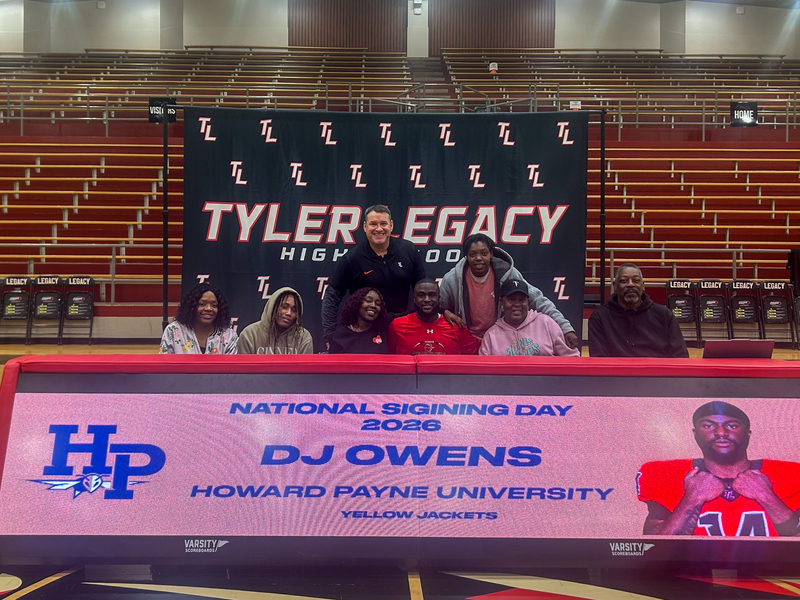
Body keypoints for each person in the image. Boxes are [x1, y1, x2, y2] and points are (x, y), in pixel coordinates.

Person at [637, 401, 800, 537]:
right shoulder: (663, 474)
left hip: (771, 574)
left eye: (732, 426)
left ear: (748, 434)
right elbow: (653, 546)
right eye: (708, 426)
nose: (721, 433)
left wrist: (765, 495)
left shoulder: (791, 474)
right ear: (695, 433)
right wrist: (693, 498)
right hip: (692, 574)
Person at [439, 233, 578, 347]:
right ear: (466, 256)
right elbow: (436, 307)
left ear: (491, 254)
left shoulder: (507, 274)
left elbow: (538, 300)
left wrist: (565, 328)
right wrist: (444, 312)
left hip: (500, 338)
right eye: (473, 254)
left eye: (484, 253)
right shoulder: (452, 279)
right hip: (467, 339)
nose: (479, 258)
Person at [322, 204, 425, 345]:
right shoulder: (352, 259)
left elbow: (424, 292)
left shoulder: (409, 251)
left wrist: (440, 313)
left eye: (383, 224)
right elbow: (331, 296)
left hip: (400, 328)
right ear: (365, 227)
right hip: (365, 332)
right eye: (373, 224)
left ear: (391, 225)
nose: (379, 229)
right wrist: (329, 336)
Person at [588, 263, 689, 358]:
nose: (630, 285)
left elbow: (680, 356)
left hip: (657, 374)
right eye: (624, 281)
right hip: (618, 375)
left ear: (643, 285)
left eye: (636, 281)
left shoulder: (664, 315)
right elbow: (599, 359)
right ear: (615, 286)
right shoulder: (599, 318)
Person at [479, 279, 580, 357]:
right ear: (502, 302)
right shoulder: (491, 335)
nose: (517, 304)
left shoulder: (547, 323)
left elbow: (571, 358)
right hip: (507, 384)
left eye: (521, 300)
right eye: (511, 300)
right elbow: (483, 373)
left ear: (528, 303)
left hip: (547, 383)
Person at [389, 279, 480, 355]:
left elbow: (472, 360)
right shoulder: (396, 326)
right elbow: (390, 359)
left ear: (439, 299)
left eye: (432, 295)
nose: (427, 300)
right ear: (414, 299)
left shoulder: (456, 326)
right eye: (421, 295)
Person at [159, 283, 238, 354]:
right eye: (202, 304)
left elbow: (232, 368)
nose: (209, 308)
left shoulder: (229, 335)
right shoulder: (173, 330)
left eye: (214, 305)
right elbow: (163, 365)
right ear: (192, 307)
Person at [237, 287, 313, 354]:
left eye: (294, 310)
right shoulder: (249, 335)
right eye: (284, 307)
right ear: (273, 307)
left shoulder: (303, 337)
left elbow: (305, 370)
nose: (289, 313)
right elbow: (242, 369)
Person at [328, 287, 390, 354]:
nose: (373, 305)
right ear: (357, 303)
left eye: (378, 303)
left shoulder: (383, 331)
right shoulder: (339, 336)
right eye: (368, 301)